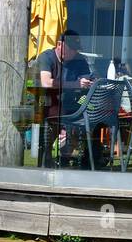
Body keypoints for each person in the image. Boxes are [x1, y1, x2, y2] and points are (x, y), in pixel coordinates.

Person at [36, 30, 94, 166]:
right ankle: (54, 156)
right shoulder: (46, 57)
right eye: (71, 49)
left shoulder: (78, 59)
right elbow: (46, 82)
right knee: (59, 113)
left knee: (93, 112)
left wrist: (87, 81)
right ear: (59, 45)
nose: (74, 52)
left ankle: (87, 159)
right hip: (47, 102)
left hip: (72, 102)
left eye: (76, 49)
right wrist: (75, 84)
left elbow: (87, 78)